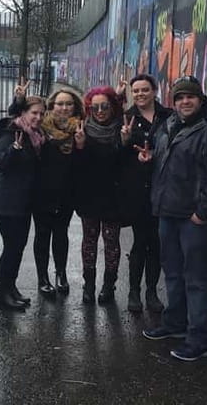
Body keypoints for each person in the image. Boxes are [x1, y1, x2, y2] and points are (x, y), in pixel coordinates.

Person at [139, 76, 207, 362]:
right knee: (173, 273)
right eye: (180, 97)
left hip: (194, 219)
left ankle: (200, 340)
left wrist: (202, 213)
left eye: (190, 97)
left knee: (198, 278)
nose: (184, 102)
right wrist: (152, 157)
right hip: (168, 213)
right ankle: (175, 324)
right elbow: (170, 162)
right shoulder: (170, 125)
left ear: (200, 99)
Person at [11, 84, 85, 297]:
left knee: (61, 234)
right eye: (60, 103)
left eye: (69, 104)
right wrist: (19, 99)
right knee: (42, 235)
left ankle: (60, 274)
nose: (64, 108)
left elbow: (84, 165)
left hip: (67, 191)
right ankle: (42, 278)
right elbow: (16, 118)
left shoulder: (81, 127)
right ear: (52, 105)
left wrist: (80, 147)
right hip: (42, 191)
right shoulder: (40, 126)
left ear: (75, 106)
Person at [0, 96, 46, 311]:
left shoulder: (36, 135)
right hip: (6, 201)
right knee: (11, 247)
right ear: (24, 113)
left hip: (23, 202)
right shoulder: (13, 132)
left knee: (18, 247)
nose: (38, 117)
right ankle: (3, 295)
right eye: (34, 113)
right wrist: (14, 149)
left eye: (41, 113)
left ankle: (11, 288)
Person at [118, 73, 173, 313]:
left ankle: (152, 292)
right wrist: (125, 142)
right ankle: (133, 292)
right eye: (136, 91)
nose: (140, 94)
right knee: (141, 242)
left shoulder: (168, 117)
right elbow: (117, 158)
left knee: (157, 244)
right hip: (138, 190)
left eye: (145, 90)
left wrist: (155, 157)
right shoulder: (127, 118)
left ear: (154, 91)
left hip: (163, 189)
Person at [74, 86, 124, 305]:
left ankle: (108, 285)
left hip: (114, 195)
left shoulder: (122, 129)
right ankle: (89, 285)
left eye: (105, 106)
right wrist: (81, 146)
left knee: (111, 242)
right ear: (89, 109)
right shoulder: (82, 129)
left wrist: (126, 142)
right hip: (89, 194)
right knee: (89, 241)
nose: (100, 111)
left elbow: (125, 164)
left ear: (113, 106)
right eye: (95, 107)